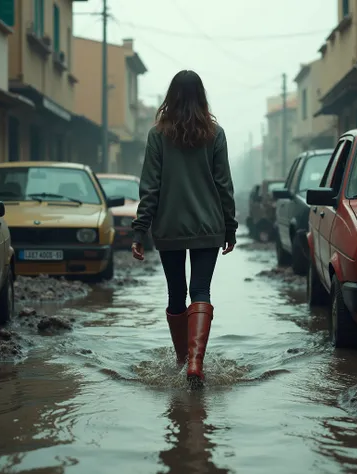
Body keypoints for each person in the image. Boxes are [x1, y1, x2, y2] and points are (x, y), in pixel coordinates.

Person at [131, 70, 238, 389]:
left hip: (170, 228)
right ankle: (195, 363)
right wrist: (229, 227)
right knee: (201, 291)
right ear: (201, 97)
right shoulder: (215, 134)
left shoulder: (157, 135)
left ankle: (181, 360)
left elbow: (149, 186)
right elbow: (224, 185)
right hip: (208, 226)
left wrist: (139, 231)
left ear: (171, 97)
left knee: (176, 293)